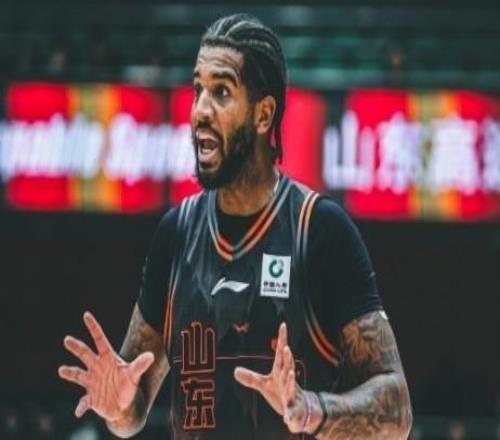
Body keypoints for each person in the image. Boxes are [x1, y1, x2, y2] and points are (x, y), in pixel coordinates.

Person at [59, 13, 412, 439]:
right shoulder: (176, 234)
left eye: (221, 92)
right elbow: (131, 407)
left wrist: (311, 410)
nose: (200, 111)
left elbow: (397, 411)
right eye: (198, 90)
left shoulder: (319, 231)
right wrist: (118, 408)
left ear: (263, 115)